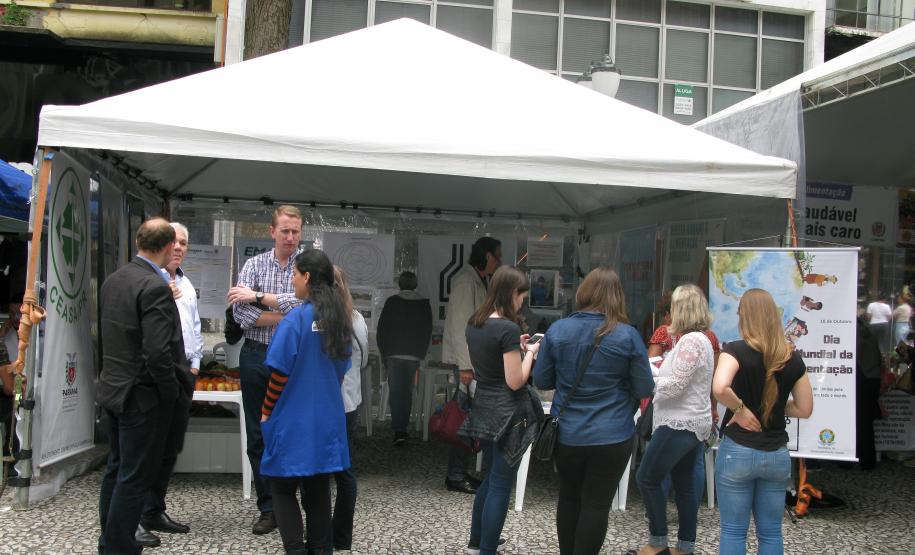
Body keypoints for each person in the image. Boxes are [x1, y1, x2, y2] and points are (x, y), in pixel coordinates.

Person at [534, 267, 654, 555]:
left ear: (584, 292)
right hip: (613, 434)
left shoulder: (558, 330)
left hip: (568, 433)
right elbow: (644, 387)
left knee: (570, 498)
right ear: (617, 297)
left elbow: (541, 380)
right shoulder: (627, 335)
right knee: (597, 504)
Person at [97, 218, 187, 555]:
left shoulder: (112, 280)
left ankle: (109, 538)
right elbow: (156, 351)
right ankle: (118, 546)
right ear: (166, 248)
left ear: (138, 241)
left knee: (117, 469)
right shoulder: (153, 287)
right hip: (141, 395)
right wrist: (170, 391)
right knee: (134, 477)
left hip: (113, 388)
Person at [260, 249, 353, 555]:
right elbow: (340, 371)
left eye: (295, 274)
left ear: (308, 278)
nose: (292, 279)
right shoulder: (339, 321)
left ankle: (295, 550)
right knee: (317, 491)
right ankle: (319, 550)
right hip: (327, 418)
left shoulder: (295, 320)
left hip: (292, 417)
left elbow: (279, 374)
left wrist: (266, 410)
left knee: (283, 488)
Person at [713, 288, 813, 555]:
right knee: (770, 532)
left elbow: (720, 387)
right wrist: (775, 408)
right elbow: (804, 408)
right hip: (776, 453)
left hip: (737, 451)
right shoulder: (792, 358)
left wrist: (741, 410)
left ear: (744, 316)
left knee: (734, 531)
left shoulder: (733, 350)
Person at [227, 205, 306, 534]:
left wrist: (260, 297)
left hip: (296, 358)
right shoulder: (253, 264)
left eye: (295, 231)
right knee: (259, 435)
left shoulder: (309, 265)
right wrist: (286, 309)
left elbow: (310, 305)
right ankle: (268, 507)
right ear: (272, 231)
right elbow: (241, 315)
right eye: (285, 231)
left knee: (293, 431)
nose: (290, 237)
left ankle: (293, 503)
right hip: (257, 356)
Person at [460, 266, 543, 555]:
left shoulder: (475, 322)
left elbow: (486, 363)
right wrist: (530, 353)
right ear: (512, 293)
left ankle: (477, 541)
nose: (522, 302)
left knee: (492, 477)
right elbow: (515, 380)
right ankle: (487, 549)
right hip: (509, 412)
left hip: (484, 405)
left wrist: (516, 347)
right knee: (501, 484)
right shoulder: (507, 328)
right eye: (522, 296)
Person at [633, 284, 715, 555]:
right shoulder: (699, 339)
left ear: (683, 309)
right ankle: (685, 547)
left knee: (647, 477)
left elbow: (677, 384)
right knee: (684, 486)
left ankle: (658, 543)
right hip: (693, 422)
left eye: (673, 307)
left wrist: (652, 378)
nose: (669, 312)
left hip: (679, 422)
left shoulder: (691, 341)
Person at [135, 222, 204, 547]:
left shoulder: (187, 284)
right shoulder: (150, 282)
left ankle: (153, 509)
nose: (179, 247)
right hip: (157, 376)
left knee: (171, 447)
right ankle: (133, 517)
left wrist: (195, 366)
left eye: (185, 243)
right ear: (163, 244)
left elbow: (194, 326)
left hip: (183, 372)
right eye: (174, 241)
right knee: (148, 448)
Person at [646, 291, 720, 508]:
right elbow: (712, 376)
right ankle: (686, 532)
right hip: (698, 411)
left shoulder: (684, 339)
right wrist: (713, 407)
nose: (668, 314)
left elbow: (671, 379)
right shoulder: (709, 337)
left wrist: (646, 383)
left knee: (650, 475)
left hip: (678, 417)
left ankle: (657, 531)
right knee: (690, 472)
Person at [441, 237, 502, 494]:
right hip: (468, 364)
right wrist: (465, 366)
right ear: (486, 256)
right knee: (463, 419)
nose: (499, 261)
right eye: (497, 256)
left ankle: (459, 473)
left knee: (468, 418)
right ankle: (455, 475)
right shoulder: (467, 282)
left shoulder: (477, 280)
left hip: (474, 362)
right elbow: (459, 326)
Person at [329, 266, 367, 552]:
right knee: (345, 471)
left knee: (314, 473)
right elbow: (363, 359)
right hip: (348, 402)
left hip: (321, 405)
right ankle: (341, 538)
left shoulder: (313, 319)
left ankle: (317, 533)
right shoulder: (356, 319)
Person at [376, 271, 432, 446]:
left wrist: (383, 353)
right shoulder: (424, 304)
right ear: (415, 285)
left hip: (393, 353)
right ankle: (402, 429)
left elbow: (382, 330)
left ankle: (399, 429)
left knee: (396, 392)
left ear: (399, 285)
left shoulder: (392, 302)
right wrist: (421, 353)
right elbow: (427, 331)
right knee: (406, 391)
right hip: (413, 354)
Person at [856, 315, 883, 470]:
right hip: (871, 380)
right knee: (865, 422)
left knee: (861, 422)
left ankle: (863, 459)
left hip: (864, 380)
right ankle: (867, 460)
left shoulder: (859, 335)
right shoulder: (869, 336)